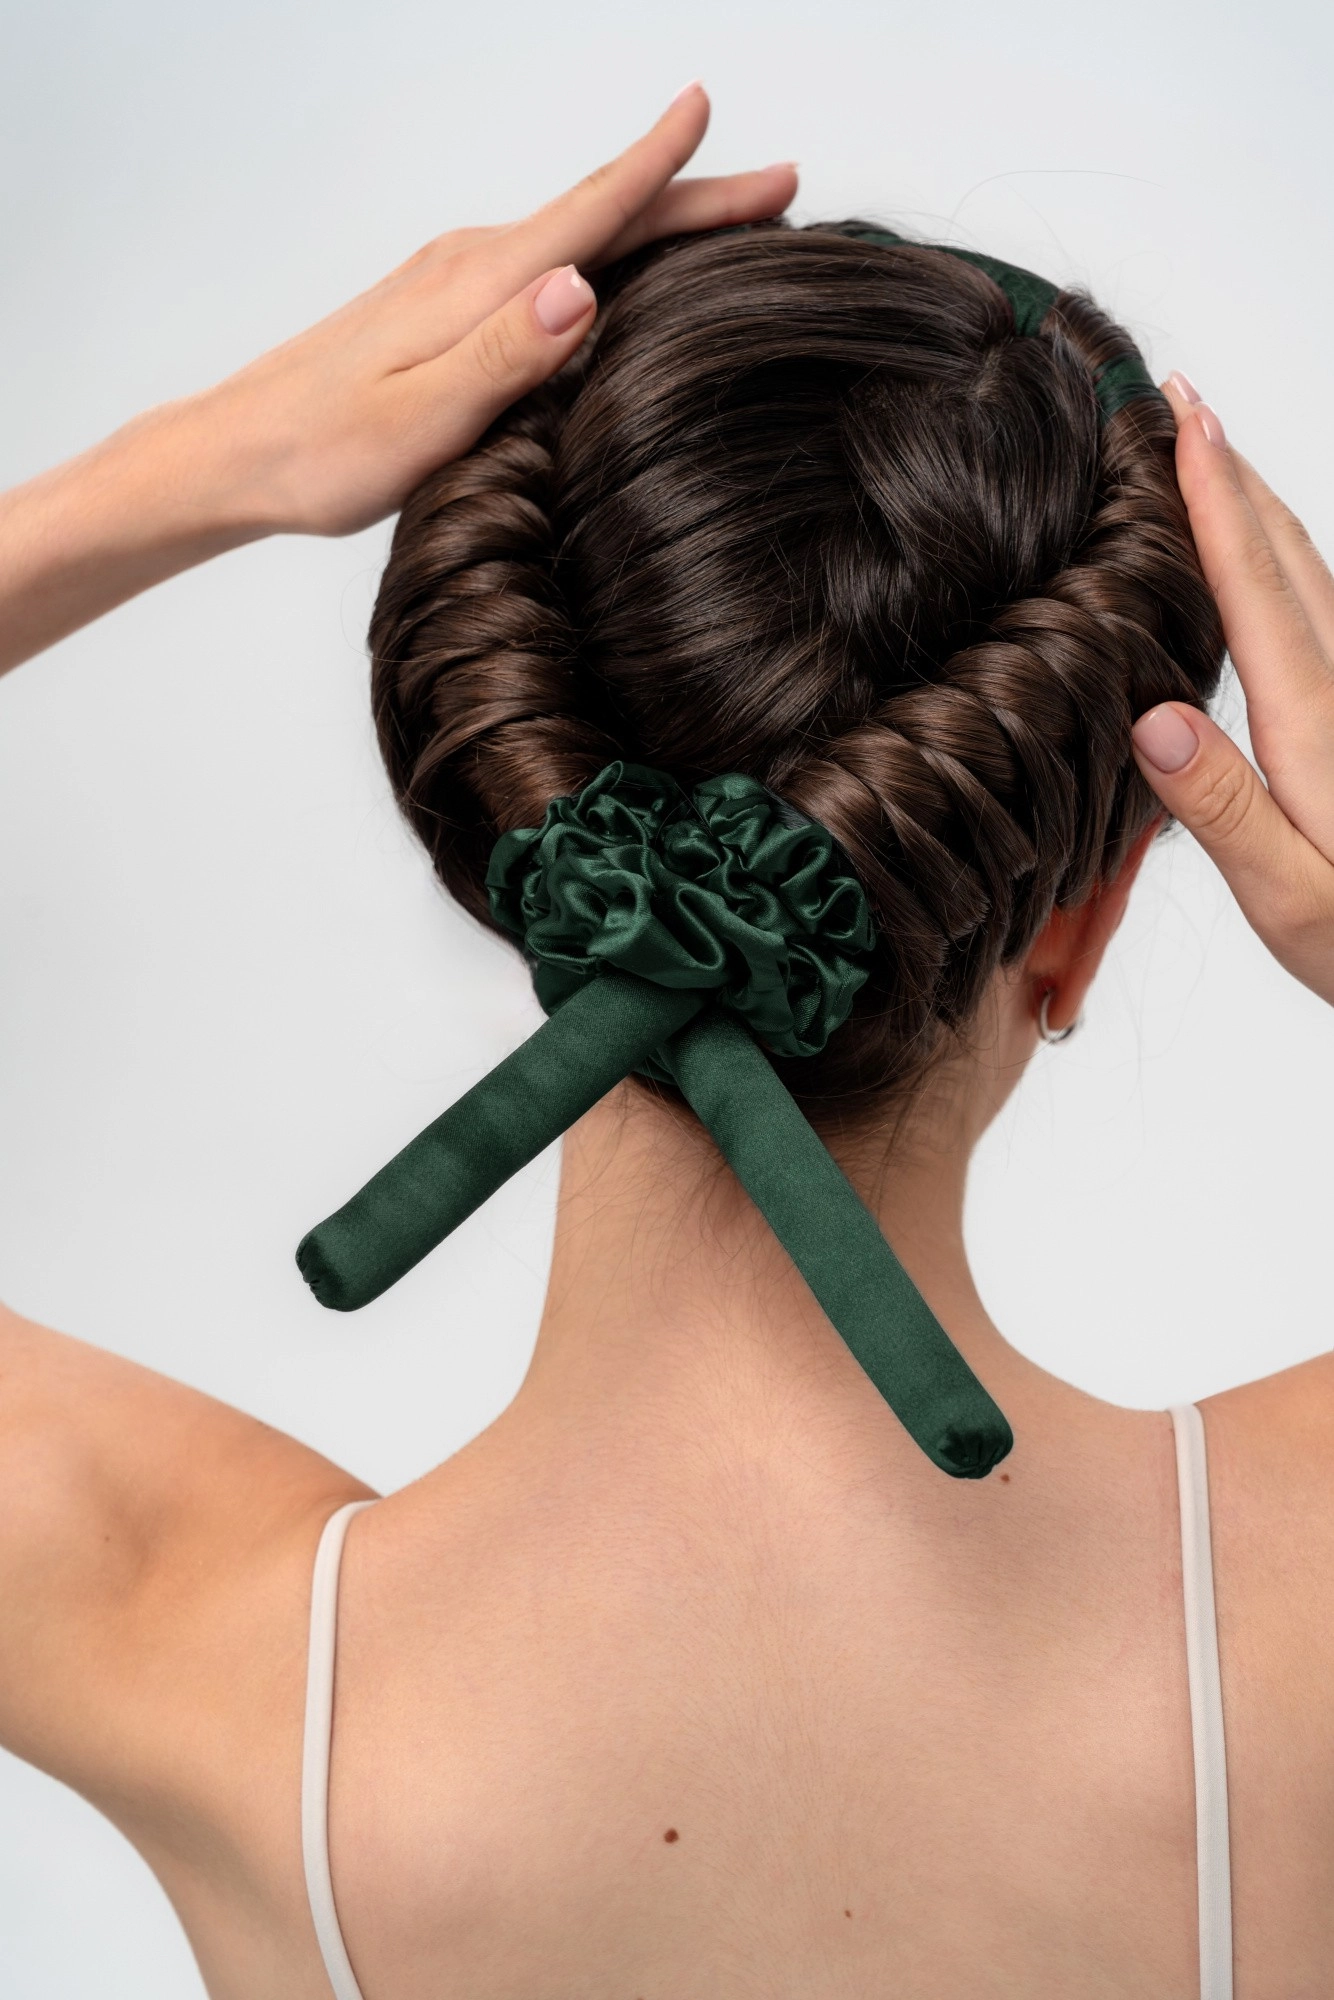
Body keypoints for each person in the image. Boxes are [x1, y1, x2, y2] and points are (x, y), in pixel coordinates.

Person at [2, 78, 1333, 2000]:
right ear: (1083, 920)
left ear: (511, 840)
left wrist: (202, 463)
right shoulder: (1293, 1611)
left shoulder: (193, 1646)